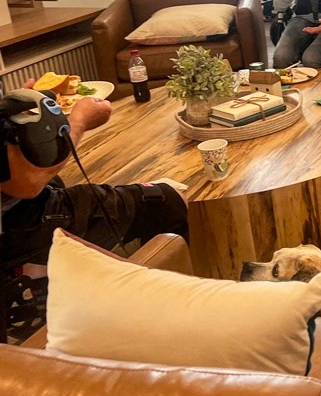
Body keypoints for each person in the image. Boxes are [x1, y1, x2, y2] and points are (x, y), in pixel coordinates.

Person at [1, 90, 189, 269]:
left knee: (57, 184)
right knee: (167, 200)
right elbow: (28, 182)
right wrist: (79, 121)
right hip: (15, 223)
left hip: (17, 206)